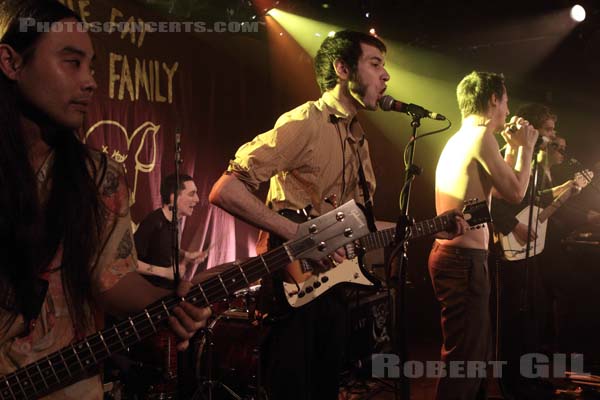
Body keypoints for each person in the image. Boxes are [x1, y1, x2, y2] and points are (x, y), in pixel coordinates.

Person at [210, 30, 466, 399]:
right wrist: (297, 234)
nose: (386, 76)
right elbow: (226, 190)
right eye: (375, 64)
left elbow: (356, 228)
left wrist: (432, 228)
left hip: (331, 292)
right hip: (291, 288)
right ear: (342, 69)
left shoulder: (358, 137)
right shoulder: (305, 122)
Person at [0, 1, 209, 399]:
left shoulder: (100, 176)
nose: (90, 81)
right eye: (71, 62)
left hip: (69, 385)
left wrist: (169, 303)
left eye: (91, 66)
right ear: (11, 62)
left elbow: (110, 279)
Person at [429, 71, 538, 400]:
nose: (508, 109)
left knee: (472, 358)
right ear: (493, 100)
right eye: (506, 101)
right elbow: (517, 192)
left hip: (458, 259)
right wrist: (527, 148)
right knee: (465, 362)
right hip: (463, 261)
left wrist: (511, 148)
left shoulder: (464, 138)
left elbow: (498, 191)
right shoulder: (479, 137)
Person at [135, 173, 208, 287]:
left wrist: (186, 255)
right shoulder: (153, 222)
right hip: (149, 294)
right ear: (173, 198)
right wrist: (165, 272)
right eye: (192, 194)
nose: (197, 199)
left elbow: (160, 248)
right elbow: (128, 261)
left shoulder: (175, 222)